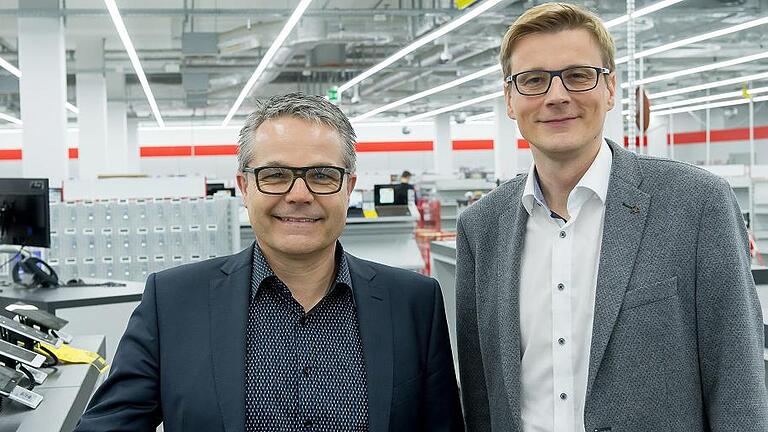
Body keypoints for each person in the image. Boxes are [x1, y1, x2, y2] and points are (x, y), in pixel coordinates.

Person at [455, 3, 768, 432]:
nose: (557, 96)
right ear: (510, 99)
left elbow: (738, 380)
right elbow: (480, 392)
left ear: (610, 88)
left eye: (578, 75)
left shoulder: (697, 204)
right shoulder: (481, 227)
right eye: (533, 80)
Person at [75, 93, 463, 432]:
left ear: (348, 187)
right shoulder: (173, 302)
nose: (299, 194)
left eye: (323, 175)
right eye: (274, 175)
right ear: (244, 188)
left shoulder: (413, 302)